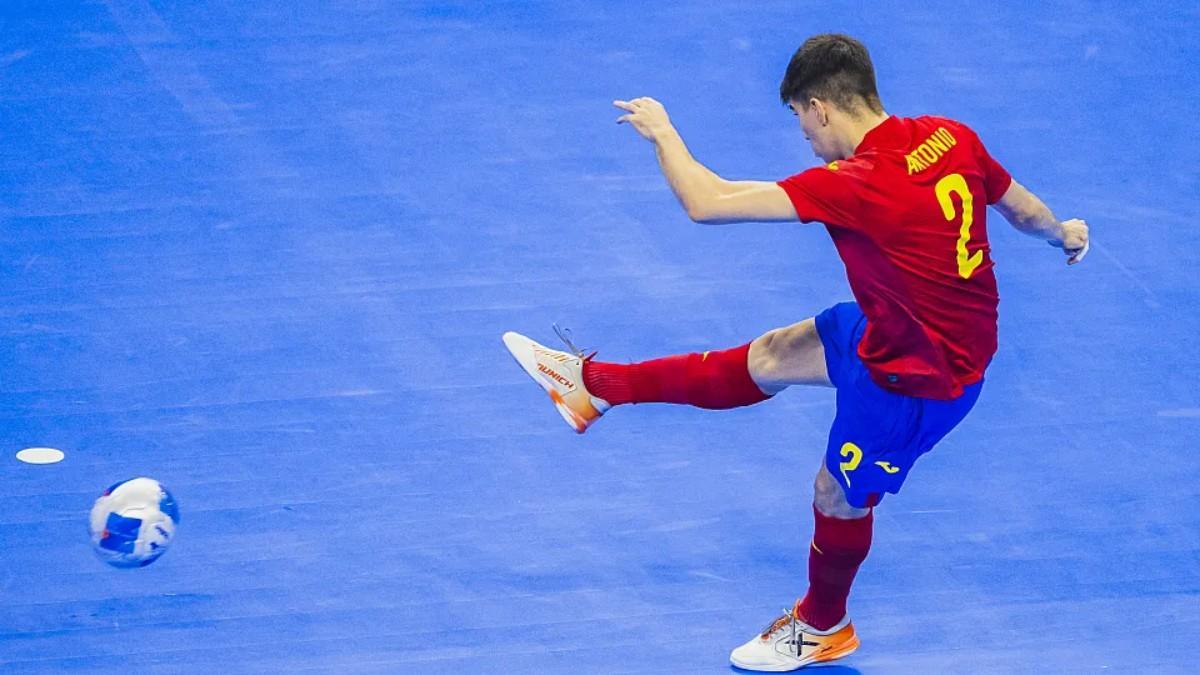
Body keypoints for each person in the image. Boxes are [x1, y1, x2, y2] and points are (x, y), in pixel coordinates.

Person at [502, 33, 1089, 671]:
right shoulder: (952, 136)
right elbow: (1021, 208)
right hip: (891, 327)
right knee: (774, 355)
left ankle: (823, 625)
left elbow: (706, 203)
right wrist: (1063, 233)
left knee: (837, 493)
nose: (804, 136)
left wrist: (664, 133)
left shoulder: (856, 182)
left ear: (821, 107)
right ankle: (595, 388)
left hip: (922, 380)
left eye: (799, 119)